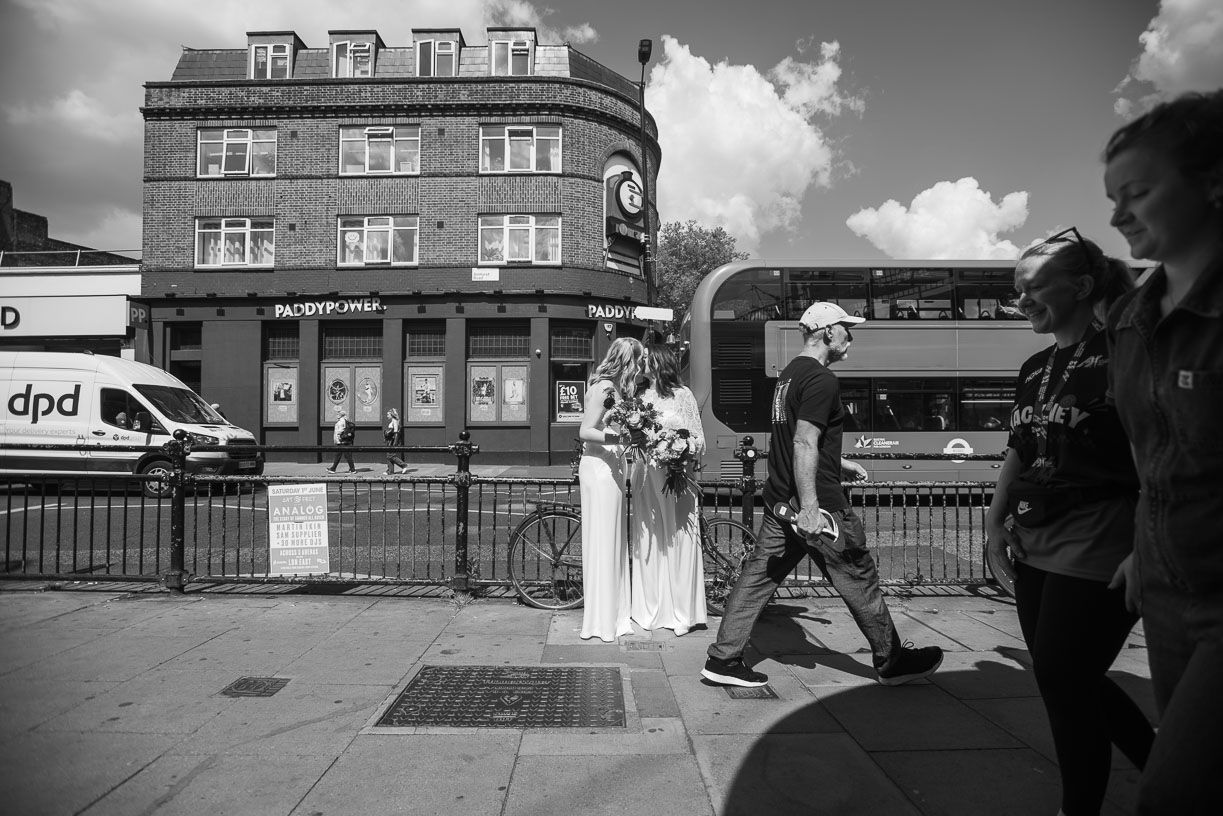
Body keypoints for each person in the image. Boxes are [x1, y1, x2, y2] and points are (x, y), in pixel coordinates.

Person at [984, 229, 1152, 816]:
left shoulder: (1125, 352)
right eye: (1016, 289)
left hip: (1104, 533)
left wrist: (1148, 544)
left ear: (1081, 286)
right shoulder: (1034, 365)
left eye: (1032, 287)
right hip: (1035, 538)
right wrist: (993, 524)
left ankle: (1081, 806)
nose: (1021, 300)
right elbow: (1019, 448)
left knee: (1063, 674)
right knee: (1062, 680)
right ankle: (1161, 769)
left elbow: (1155, 448)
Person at [702, 302, 943, 687]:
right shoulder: (821, 379)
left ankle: (723, 659)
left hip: (781, 498)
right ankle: (891, 660)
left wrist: (838, 460)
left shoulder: (788, 377)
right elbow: (802, 441)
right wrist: (812, 508)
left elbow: (800, 438)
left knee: (757, 579)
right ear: (828, 332)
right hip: (817, 506)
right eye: (847, 328)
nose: (851, 335)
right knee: (858, 574)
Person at [1102, 89, 1223, 815]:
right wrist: (1142, 547)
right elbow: (1153, 461)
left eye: (1138, 193)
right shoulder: (1129, 320)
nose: (1117, 215)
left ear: (1212, 182)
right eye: (1110, 197)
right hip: (1167, 595)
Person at [630, 344, 707, 636]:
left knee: (678, 537)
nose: (642, 362)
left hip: (677, 477)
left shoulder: (683, 395)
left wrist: (679, 448)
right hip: (648, 474)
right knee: (651, 536)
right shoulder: (641, 396)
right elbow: (634, 436)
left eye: (647, 359)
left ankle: (682, 612)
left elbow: (699, 438)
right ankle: (651, 607)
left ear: (659, 363)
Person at [576, 336, 646, 642]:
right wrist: (621, 440)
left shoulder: (613, 389)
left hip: (611, 468)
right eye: (639, 360)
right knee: (604, 541)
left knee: (613, 541)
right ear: (628, 362)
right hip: (600, 469)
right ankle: (602, 620)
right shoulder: (604, 388)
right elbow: (586, 432)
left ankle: (613, 614)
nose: (642, 366)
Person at [326, 408, 356, 473]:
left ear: (340, 415)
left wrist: (338, 439)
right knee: (344, 455)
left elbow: (341, 431)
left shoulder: (341, 422)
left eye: (338, 414)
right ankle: (351, 469)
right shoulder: (344, 421)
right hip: (343, 441)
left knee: (344, 455)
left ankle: (352, 469)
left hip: (342, 442)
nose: (337, 415)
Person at [384, 408, 408, 475]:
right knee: (389, 455)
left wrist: (394, 442)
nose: (387, 415)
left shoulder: (394, 421)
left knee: (391, 455)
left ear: (391, 414)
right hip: (390, 440)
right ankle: (390, 471)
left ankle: (403, 465)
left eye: (388, 414)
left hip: (392, 441)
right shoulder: (393, 420)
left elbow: (396, 432)